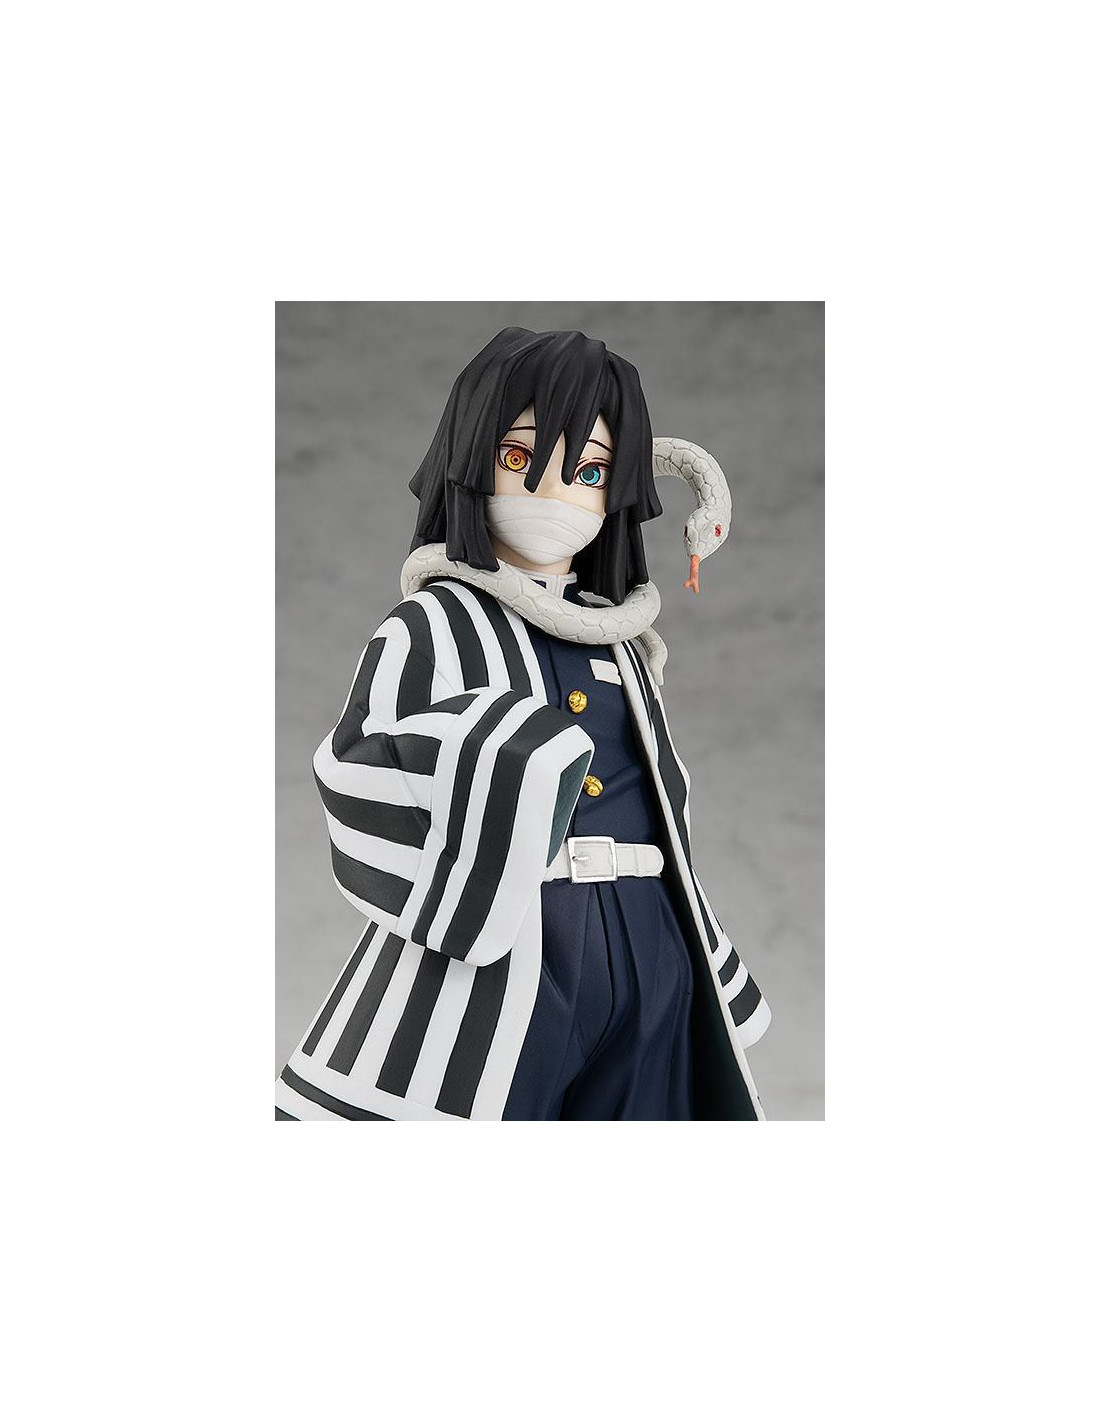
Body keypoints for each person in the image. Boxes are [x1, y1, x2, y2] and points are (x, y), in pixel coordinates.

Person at [276, 326, 770, 1121]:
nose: (555, 494)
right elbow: (357, 765)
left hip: (649, 935)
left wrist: (690, 938)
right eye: (519, 457)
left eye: (590, 471)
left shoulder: (619, 640)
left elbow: (664, 800)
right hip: (503, 943)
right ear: (472, 459)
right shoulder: (434, 624)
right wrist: (497, 750)